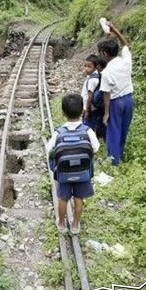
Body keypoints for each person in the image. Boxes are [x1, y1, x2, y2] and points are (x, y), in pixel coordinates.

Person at [47, 93, 100, 234]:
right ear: (82, 111)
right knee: (78, 199)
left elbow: (49, 149)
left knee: (63, 199)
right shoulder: (88, 131)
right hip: (83, 173)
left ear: (63, 113)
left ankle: (61, 223)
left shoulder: (59, 133)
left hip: (64, 174)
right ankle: (76, 225)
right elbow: (96, 147)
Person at [98, 21, 133, 166]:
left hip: (116, 102)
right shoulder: (126, 61)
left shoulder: (106, 72)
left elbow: (106, 94)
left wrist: (106, 113)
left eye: (101, 53)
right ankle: (119, 155)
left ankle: (113, 162)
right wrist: (115, 30)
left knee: (113, 130)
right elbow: (125, 44)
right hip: (129, 100)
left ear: (105, 54)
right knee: (123, 129)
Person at [81, 54, 106, 139]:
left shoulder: (92, 80)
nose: (86, 68)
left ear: (96, 67)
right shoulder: (97, 76)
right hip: (96, 108)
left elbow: (89, 97)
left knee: (87, 127)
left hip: (90, 109)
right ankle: (99, 138)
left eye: (89, 66)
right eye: (85, 66)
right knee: (97, 124)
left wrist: (87, 110)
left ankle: (88, 142)